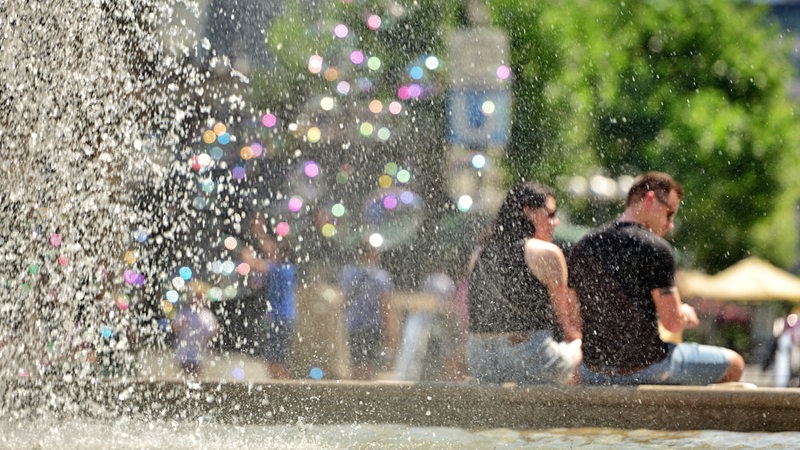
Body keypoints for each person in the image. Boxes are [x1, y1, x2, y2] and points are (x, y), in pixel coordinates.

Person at [568, 171, 744, 385]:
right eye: (669, 213)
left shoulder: (583, 245)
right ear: (650, 199)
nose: (670, 224)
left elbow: (573, 317)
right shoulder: (656, 248)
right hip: (648, 367)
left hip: (594, 371)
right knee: (735, 364)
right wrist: (684, 314)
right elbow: (671, 323)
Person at [467, 182, 582, 384]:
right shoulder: (547, 253)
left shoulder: (479, 253)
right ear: (529, 211)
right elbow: (565, 324)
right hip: (530, 359)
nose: (556, 222)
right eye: (551, 214)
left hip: (481, 361)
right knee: (582, 347)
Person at [340, 243, 395, 380]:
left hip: (354, 323)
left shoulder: (348, 273)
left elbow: (344, 299)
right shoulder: (381, 276)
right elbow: (385, 304)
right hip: (373, 324)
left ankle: (355, 395)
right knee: (369, 364)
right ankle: (367, 395)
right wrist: (389, 328)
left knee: (356, 363)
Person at [172, 280, 219, 377]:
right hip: (184, 354)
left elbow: (214, 331)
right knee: (186, 375)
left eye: (200, 297)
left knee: (197, 376)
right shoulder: (185, 312)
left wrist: (215, 330)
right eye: (195, 296)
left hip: (199, 354)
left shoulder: (206, 314)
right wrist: (180, 324)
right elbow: (175, 326)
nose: (197, 299)